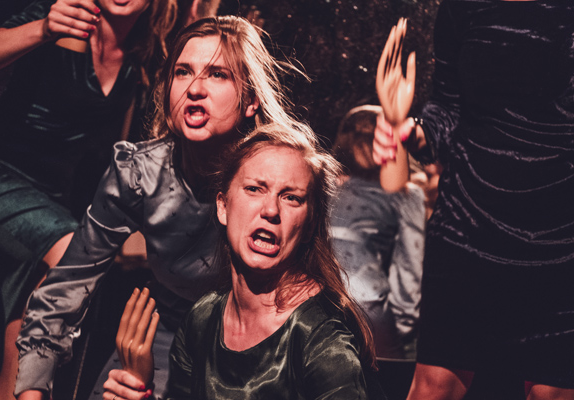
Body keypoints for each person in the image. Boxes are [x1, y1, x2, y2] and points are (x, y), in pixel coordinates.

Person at [16, 16, 313, 400]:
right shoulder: (139, 174)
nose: (195, 88)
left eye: (218, 74)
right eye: (182, 72)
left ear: (252, 99)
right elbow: (66, 290)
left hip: (260, 348)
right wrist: (32, 390)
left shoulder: (284, 181)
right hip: (163, 340)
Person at [0, 0, 192, 399]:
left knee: (21, 342)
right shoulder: (62, 17)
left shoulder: (144, 53)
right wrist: (42, 30)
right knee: (72, 257)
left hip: (52, 199)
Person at [373, 1, 574, 399]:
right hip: (466, 225)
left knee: (551, 392)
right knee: (433, 389)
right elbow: (448, 110)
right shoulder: (461, 8)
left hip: (559, 237)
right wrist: (411, 131)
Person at [104, 124, 388, 400]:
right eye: (254, 189)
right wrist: (140, 394)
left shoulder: (321, 334)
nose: (271, 209)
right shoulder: (202, 319)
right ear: (223, 206)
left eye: (291, 197)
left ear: (310, 224)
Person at [330, 105, 425, 360]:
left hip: (318, 311)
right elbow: (409, 272)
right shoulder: (405, 196)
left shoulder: (322, 186)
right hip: (373, 319)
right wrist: (405, 335)